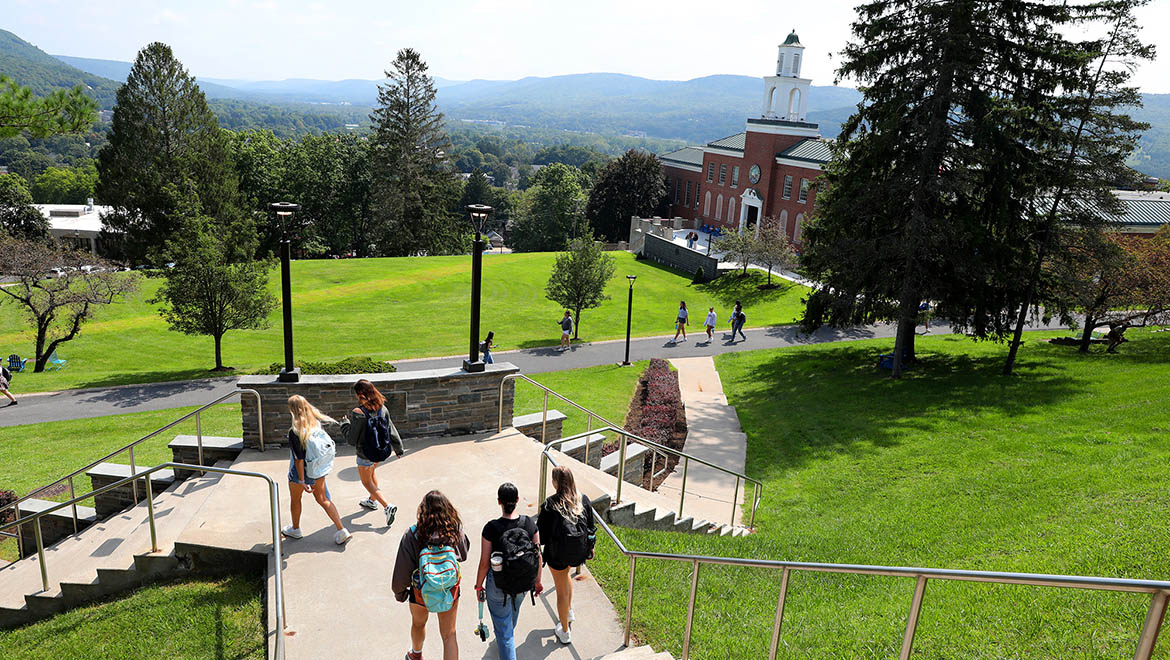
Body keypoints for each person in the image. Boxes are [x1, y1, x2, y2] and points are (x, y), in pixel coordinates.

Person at [393, 491, 471, 660]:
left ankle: (416, 654)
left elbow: (402, 570)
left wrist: (400, 593)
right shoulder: (454, 530)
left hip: (420, 591)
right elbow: (463, 555)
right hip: (448, 590)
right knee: (449, 634)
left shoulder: (413, 534)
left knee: (418, 624)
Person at [475, 483, 543, 660]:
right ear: (518, 500)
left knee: (505, 635)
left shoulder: (491, 528)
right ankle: (505, 637)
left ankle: (506, 643)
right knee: (510, 617)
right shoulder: (529, 524)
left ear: (499, 502)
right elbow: (538, 556)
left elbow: (484, 563)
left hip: (498, 585)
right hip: (523, 583)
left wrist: (478, 585)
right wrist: (537, 581)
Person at [537, 466, 596, 645]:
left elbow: (542, 534)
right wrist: (590, 547)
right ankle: (569, 611)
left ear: (556, 482)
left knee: (561, 591)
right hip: (578, 552)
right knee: (566, 577)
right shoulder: (583, 499)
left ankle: (564, 631)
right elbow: (591, 527)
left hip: (557, 554)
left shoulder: (550, 504)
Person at [282, 395, 351, 545]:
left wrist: (301, 480)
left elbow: (299, 459)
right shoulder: (315, 423)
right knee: (324, 499)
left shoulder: (295, 431)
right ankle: (341, 530)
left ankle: (295, 529)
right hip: (318, 470)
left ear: (292, 410)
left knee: (295, 499)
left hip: (300, 472)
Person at [341, 379, 402, 527]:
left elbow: (352, 439)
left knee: (366, 482)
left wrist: (345, 425)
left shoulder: (358, 413)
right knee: (372, 473)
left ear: (361, 394)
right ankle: (372, 500)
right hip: (381, 451)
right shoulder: (383, 408)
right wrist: (398, 449)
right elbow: (391, 429)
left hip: (365, 453)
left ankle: (387, 506)